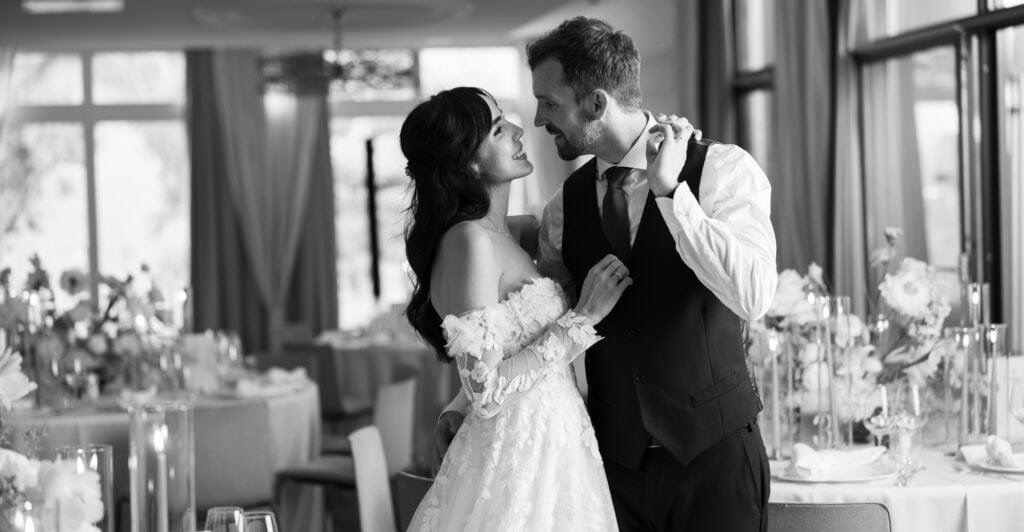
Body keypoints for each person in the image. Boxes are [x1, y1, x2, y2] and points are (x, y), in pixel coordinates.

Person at [434, 17, 779, 531]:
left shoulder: (723, 171)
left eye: (549, 102)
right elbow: (522, 321)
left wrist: (671, 195)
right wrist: (463, 402)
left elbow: (753, 296)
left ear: (595, 104)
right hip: (610, 469)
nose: (537, 118)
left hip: (715, 460)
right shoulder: (561, 210)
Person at [402, 86, 636, 530]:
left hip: (558, 446)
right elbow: (486, 392)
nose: (517, 129)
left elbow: (496, 354)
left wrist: (455, 406)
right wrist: (581, 320)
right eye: (496, 128)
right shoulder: (467, 241)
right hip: (515, 459)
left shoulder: (516, 233)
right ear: (467, 162)